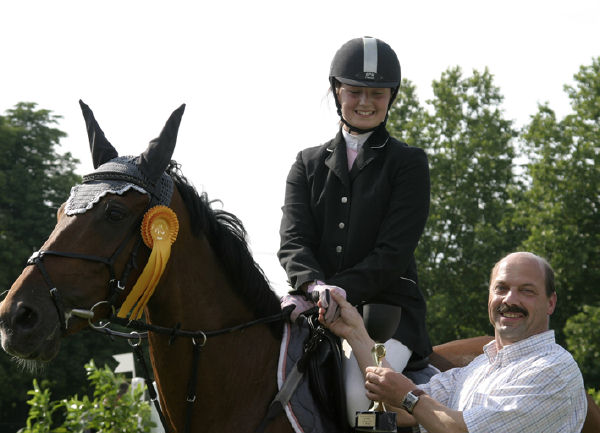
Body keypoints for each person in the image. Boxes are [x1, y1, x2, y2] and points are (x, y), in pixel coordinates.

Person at [278, 36, 432, 421]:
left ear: (391, 97)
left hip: (385, 314)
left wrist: (340, 291)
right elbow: (293, 240)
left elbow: (392, 254)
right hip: (315, 304)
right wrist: (314, 286)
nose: (365, 103)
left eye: (376, 93)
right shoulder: (306, 163)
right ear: (337, 92)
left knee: (356, 397)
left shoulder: (408, 164)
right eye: (355, 91)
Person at [319, 252, 587, 433]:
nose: (510, 300)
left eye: (526, 291)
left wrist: (408, 397)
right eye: (501, 288)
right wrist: (354, 332)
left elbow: (459, 429)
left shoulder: (554, 370)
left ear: (550, 302)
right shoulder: (478, 368)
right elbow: (403, 409)